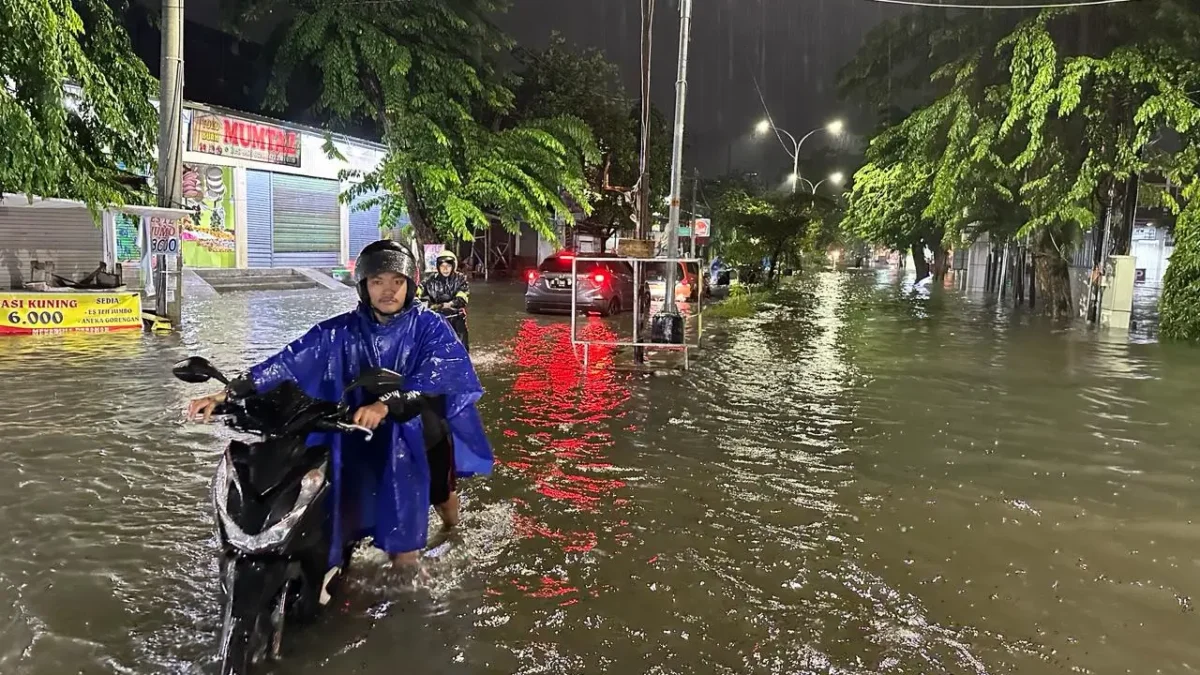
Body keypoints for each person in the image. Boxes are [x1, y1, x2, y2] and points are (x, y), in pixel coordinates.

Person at [187, 240, 492, 568]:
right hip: (357, 428)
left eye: (396, 282)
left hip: (420, 430)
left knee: (436, 504)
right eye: (377, 282)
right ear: (364, 287)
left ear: (410, 285)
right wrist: (230, 391)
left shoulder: (430, 326)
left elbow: (438, 376)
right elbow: (290, 360)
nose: (387, 291)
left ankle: (447, 537)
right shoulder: (341, 330)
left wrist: (386, 404)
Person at [417, 250, 471, 352]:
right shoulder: (430, 280)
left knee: (462, 349)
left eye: (448, 266)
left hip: (456, 319)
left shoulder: (460, 279)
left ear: (453, 266)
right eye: (442, 266)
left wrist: (444, 305)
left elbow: (462, 299)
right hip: (436, 320)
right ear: (438, 267)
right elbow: (418, 290)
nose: (445, 269)